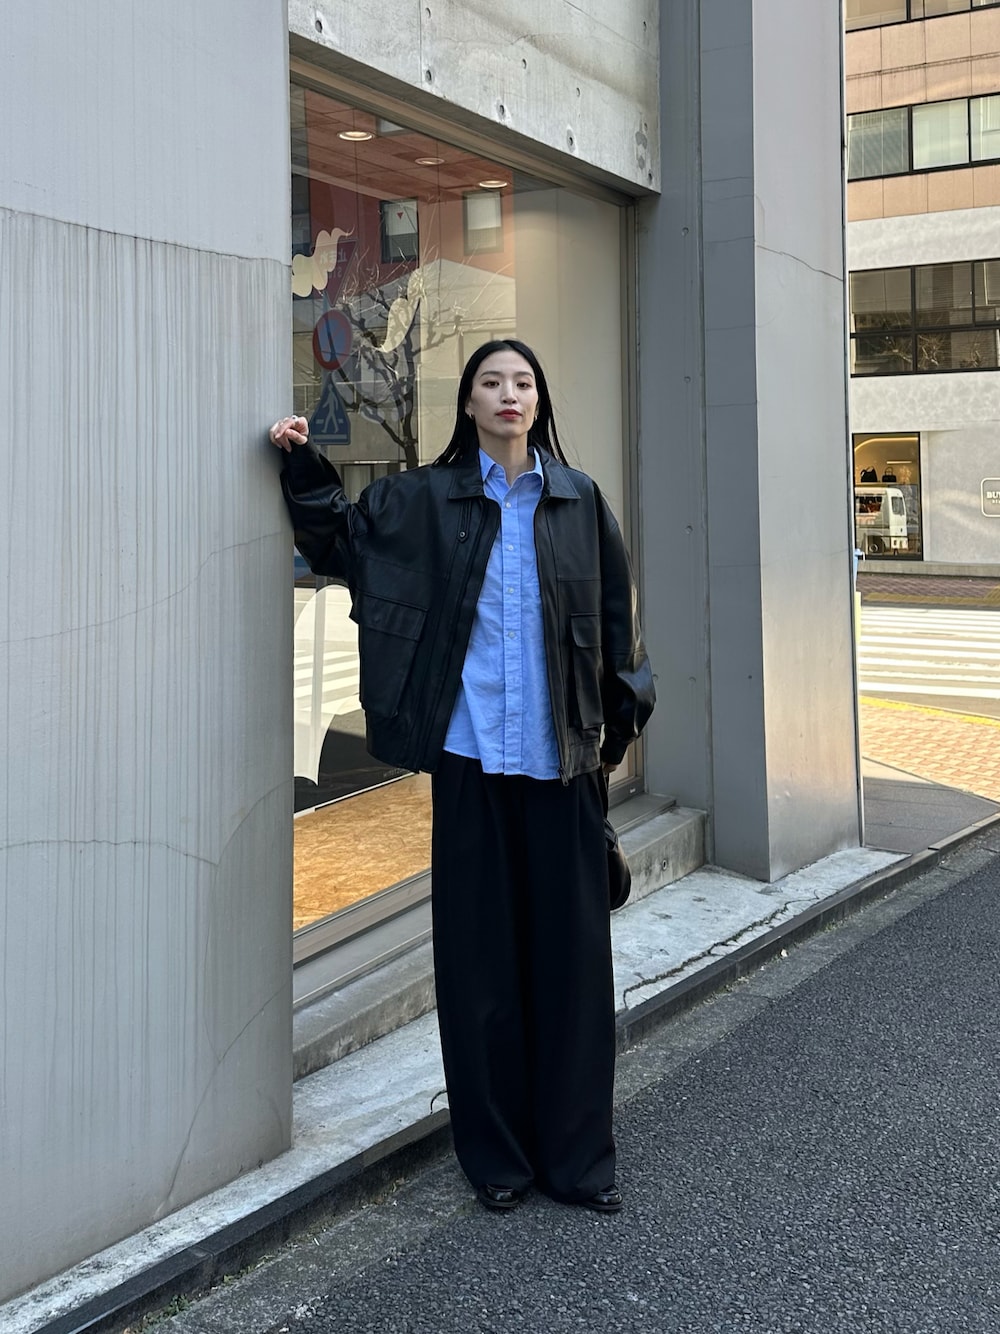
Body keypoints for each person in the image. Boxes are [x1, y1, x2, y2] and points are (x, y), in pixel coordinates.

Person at [270, 339, 655, 1214]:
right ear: (470, 403)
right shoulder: (424, 499)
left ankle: (578, 1160)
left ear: (538, 400)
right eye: (491, 382)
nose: (508, 394)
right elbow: (342, 542)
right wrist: (301, 463)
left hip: (561, 766)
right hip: (472, 760)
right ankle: (498, 1159)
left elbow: (618, 631)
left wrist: (610, 742)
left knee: (572, 972)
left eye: (523, 381)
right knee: (481, 970)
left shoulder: (579, 499)